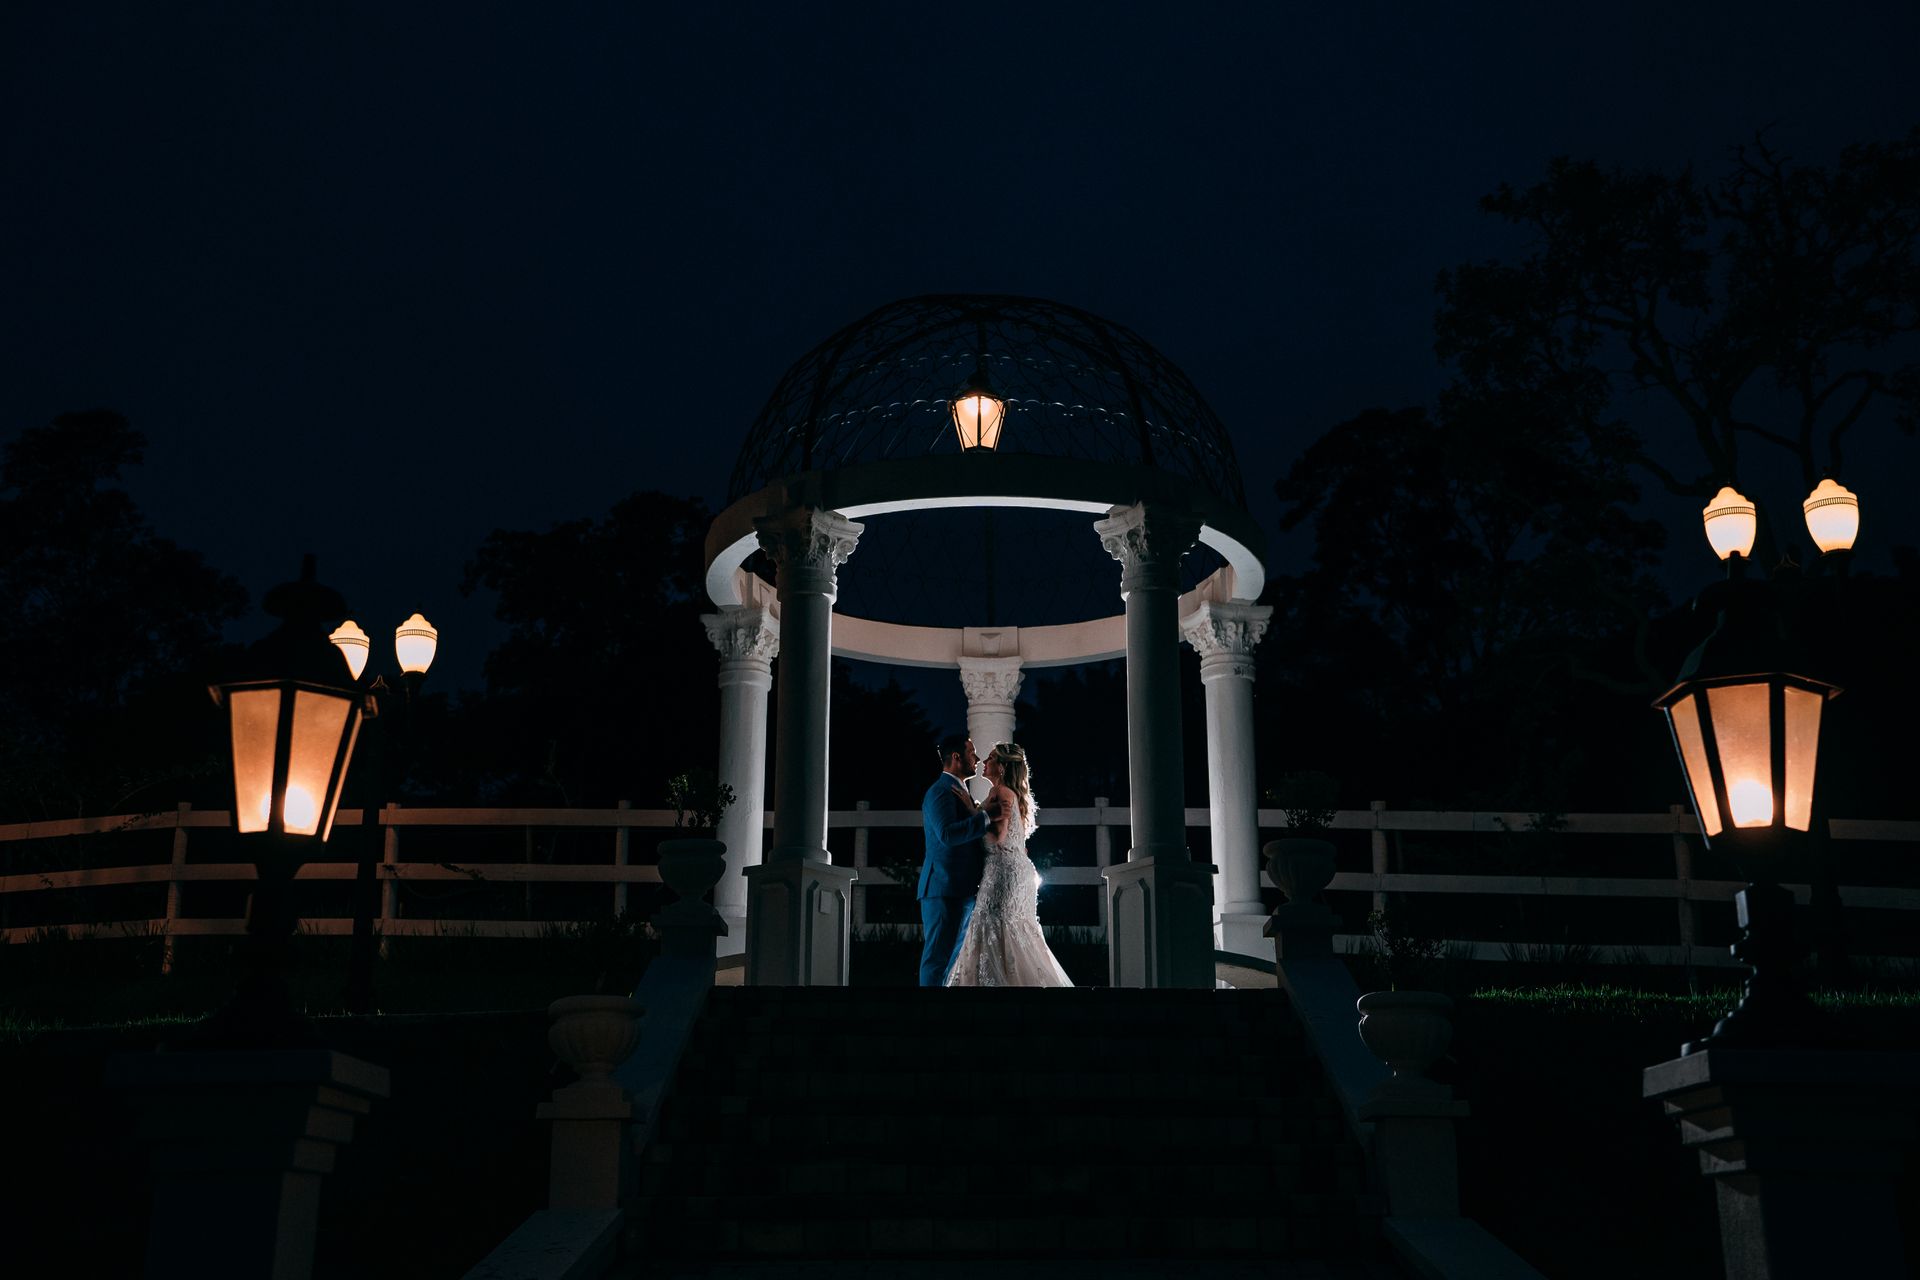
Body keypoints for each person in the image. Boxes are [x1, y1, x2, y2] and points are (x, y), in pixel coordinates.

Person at [947, 742, 1072, 988]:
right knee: (1015, 930)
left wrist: (972, 811)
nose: (984, 761)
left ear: (1002, 767)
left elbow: (996, 837)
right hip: (1018, 870)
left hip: (1002, 871)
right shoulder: (1012, 795)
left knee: (992, 923)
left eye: (991, 758)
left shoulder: (1001, 793)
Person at [917, 732, 1002, 986]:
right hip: (944, 888)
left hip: (960, 889)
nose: (976, 759)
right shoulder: (941, 792)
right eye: (971, 753)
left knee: (950, 961)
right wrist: (985, 818)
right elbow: (946, 834)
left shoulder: (957, 790)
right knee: (937, 961)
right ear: (956, 757)